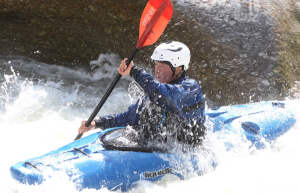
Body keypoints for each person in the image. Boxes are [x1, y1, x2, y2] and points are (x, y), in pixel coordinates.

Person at [78, 41, 205, 147]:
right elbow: (129, 117)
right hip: (157, 146)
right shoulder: (156, 90)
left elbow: (162, 94)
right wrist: (97, 123)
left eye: (162, 66)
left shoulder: (189, 89)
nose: (157, 70)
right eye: (156, 65)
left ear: (178, 68)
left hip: (184, 151)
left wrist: (134, 71)